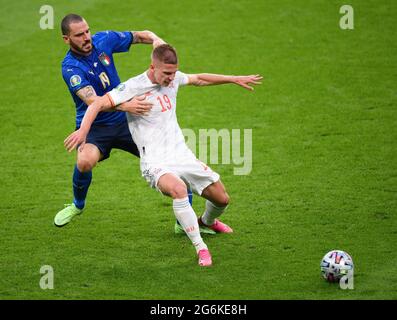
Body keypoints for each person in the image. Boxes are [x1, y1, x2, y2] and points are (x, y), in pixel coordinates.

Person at [64, 44, 262, 266]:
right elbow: (98, 103)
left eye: (174, 73)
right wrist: (83, 130)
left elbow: (199, 79)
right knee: (178, 190)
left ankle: (207, 221)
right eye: (166, 74)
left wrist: (233, 78)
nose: (171, 78)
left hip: (181, 154)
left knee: (222, 199)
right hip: (155, 161)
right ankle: (201, 248)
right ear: (152, 67)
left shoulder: (174, 78)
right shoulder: (133, 87)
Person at [55, 14, 177, 227]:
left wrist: (157, 40)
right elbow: (93, 100)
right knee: (84, 162)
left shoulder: (103, 40)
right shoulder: (70, 68)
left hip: (127, 122)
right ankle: (77, 204)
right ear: (66, 39)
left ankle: (183, 221)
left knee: (168, 162)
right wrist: (125, 104)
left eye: (87, 31)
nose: (86, 38)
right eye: (79, 35)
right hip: (95, 126)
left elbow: (141, 36)